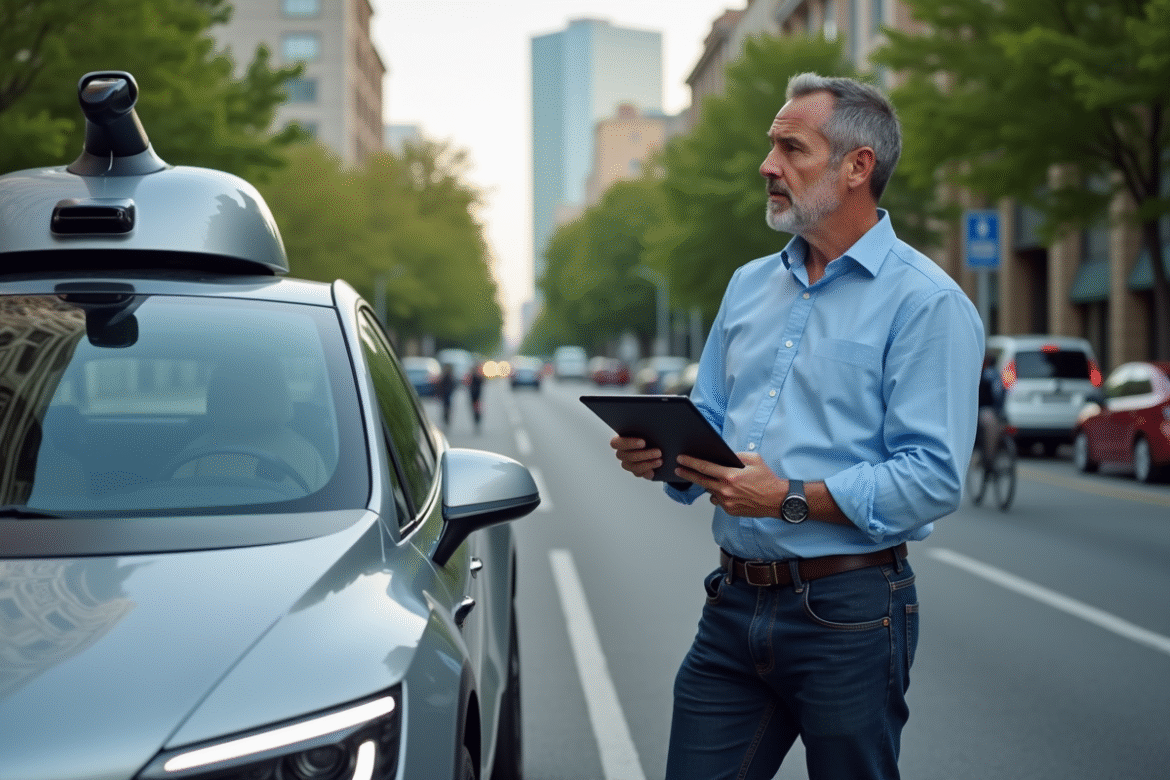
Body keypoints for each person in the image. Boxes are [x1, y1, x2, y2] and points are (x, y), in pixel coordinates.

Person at [610, 73, 984, 780]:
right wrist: (664, 453)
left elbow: (931, 477)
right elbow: (713, 419)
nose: (767, 166)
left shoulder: (927, 303)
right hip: (731, 607)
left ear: (856, 168)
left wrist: (786, 496)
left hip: (849, 613)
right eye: (770, 146)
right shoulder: (749, 285)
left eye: (791, 148)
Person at [977, 352, 1006, 464]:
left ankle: (989, 459)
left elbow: (1000, 393)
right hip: (987, 410)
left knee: (990, 422)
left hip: (986, 410)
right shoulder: (994, 375)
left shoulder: (991, 375)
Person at [437, 362, 457, 428]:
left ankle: (446, 418)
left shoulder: (449, 376)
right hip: (446, 394)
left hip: (447, 394)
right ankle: (446, 418)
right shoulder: (446, 376)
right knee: (446, 407)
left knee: (447, 407)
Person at [468, 361, 485, 433]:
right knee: (474, 409)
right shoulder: (472, 376)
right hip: (473, 395)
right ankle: (476, 420)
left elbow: (483, 382)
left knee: (477, 409)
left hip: (477, 395)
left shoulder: (479, 376)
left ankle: (477, 420)